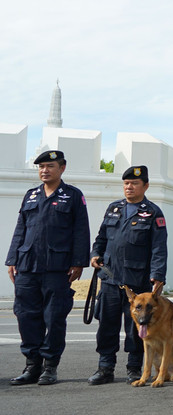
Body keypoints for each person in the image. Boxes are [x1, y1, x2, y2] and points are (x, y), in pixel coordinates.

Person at [6, 150, 90, 386]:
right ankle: (32, 365)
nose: (44, 170)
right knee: (25, 315)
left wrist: (78, 262)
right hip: (27, 265)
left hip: (57, 267)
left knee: (54, 317)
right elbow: (20, 228)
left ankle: (50, 367)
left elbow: (81, 231)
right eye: (41, 166)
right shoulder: (31, 195)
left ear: (62, 168)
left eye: (50, 166)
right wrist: (12, 259)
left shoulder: (73, 196)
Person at [86, 165, 169, 385]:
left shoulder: (153, 213)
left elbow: (159, 247)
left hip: (138, 283)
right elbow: (101, 238)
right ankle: (105, 367)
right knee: (107, 324)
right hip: (111, 279)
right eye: (126, 183)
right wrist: (95, 254)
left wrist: (158, 274)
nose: (129, 187)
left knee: (136, 327)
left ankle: (134, 367)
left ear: (145, 186)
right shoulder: (114, 208)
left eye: (134, 183)